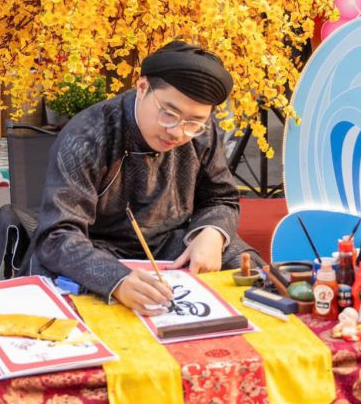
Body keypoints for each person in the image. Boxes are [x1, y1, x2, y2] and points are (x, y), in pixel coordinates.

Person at [29, 40, 264, 314]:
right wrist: (115, 278)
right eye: (168, 113)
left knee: (252, 278)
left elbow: (221, 197)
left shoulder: (201, 131)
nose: (178, 132)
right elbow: (57, 233)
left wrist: (211, 232)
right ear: (142, 88)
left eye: (194, 122)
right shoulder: (87, 135)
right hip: (95, 249)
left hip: (170, 246)